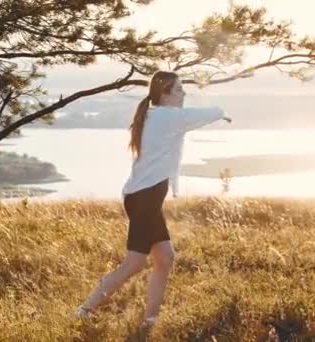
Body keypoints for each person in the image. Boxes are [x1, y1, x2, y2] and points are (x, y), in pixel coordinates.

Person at [75, 71, 231, 329]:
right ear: (165, 95)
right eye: (179, 90)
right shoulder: (169, 117)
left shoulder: (153, 114)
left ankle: (150, 320)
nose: (184, 94)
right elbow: (204, 114)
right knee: (134, 263)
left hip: (143, 198)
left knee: (165, 257)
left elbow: (192, 116)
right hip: (145, 200)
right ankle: (84, 309)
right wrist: (221, 111)